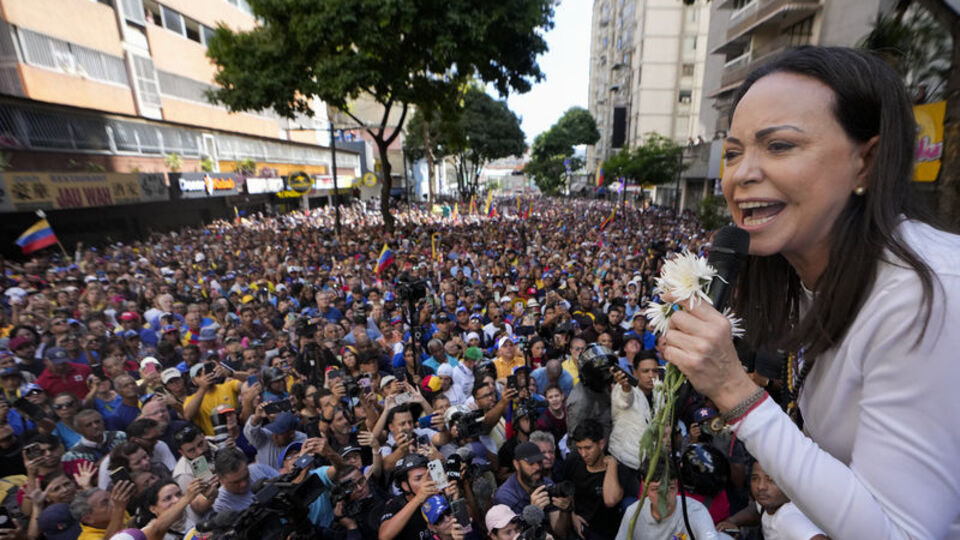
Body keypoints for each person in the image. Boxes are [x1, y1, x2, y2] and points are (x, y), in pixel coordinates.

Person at [659, 46, 960, 538]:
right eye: (733, 153)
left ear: (867, 161)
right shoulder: (803, 283)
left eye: (778, 146)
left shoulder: (931, 293)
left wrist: (735, 391)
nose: (741, 175)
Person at [613, 459, 717, 540]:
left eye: (670, 488)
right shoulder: (633, 513)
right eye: (655, 489)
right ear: (645, 488)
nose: (664, 497)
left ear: (676, 486)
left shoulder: (696, 511)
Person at [563, 420, 630, 540]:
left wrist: (612, 466)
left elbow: (611, 500)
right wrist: (571, 515)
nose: (583, 454)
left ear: (601, 444)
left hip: (605, 533)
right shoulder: (573, 460)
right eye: (579, 448)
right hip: (578, 528)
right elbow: (565, 491)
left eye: (588, 448)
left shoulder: (619, 470)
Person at [492, 441, 571, 537]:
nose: (537, 467)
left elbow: (560, 533)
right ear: (516, 465)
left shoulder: (547, 484)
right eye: (531, 463)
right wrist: (532, 515)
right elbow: (513, 537)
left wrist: (565, 510)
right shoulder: (505, 497)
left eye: (539, 462)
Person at [69, 481, 136, 540]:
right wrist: (118, 509)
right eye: (105, 503)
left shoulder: (117, 511)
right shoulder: (88, 538)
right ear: (88, 519)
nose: (114, 502)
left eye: (111, 497)